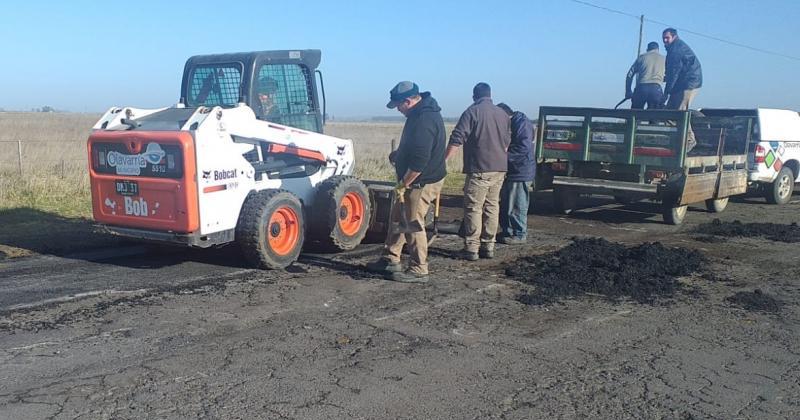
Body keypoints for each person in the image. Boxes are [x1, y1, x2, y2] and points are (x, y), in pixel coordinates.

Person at [365, 81, 446, 283]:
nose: (398, 110)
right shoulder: (417, 114)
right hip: (414, 179)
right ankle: (390, 258)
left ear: (408, 101)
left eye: (398, 105)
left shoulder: (424, 120)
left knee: (411, 222)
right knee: (397, 217)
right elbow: (414, 145)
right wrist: (399, 154)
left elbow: (419, 161)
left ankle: (419, 268)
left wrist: (404, 184)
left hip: (421, 181)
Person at [445, 82, 511, 261]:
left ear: (474, 96)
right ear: (490, 95)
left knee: (474, 207)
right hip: (500, 169)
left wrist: (444, 160)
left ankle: (471, 248)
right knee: (492, 206)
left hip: (480, 168)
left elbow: (457, 138)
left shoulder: (472, 112)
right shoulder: (503, 114)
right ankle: (488, 246)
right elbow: (506, 143)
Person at [496, 103, 535, 245]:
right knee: (507, 202)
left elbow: (523, 147)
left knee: (517, 203)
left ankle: (519, 233)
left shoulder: (521, 123)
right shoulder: (513, 123)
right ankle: (508, 231)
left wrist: (503, 157)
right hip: (513, 170)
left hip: (521, 170)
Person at [662, 27, 703, 150]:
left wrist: (666, 92)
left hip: (689, 83)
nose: (665, 40)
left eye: (667, 38)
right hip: (680, 84)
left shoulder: (676, 50)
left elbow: (674, 72)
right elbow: (671, 73)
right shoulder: (672, 49)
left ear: (674, 37)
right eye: (663, 38)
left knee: (680, 112)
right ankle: (676, 139)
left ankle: (690, 140)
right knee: (669, 113)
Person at [625, 42, 665, 110]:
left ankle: (635, 120)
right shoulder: (664, 59)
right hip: (656, 89)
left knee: (635, 115)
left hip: (641, 88)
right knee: (654, 116)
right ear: (658, 49)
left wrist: (628, 91)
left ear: (647, 49)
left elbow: (629, 75)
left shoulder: (641, 57)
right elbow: (669, 76)